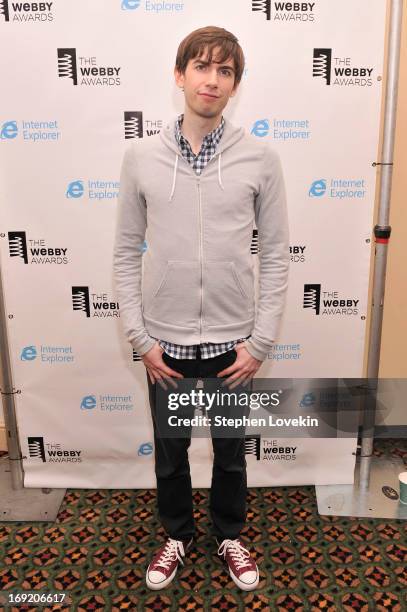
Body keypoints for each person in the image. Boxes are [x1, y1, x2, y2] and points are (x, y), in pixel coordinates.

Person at [113, 25, 289, 592]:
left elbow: (278, 256)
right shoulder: (140, 155)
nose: (212, 80)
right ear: (180, 74)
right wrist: (140, 339)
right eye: (202, 66)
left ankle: (229, 532)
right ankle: (178, 535)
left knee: (231, 452)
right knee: (171, 453)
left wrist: (259, 342)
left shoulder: (260, 157)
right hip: (164, 347)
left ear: (235, 84)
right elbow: (123, 252)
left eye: (225, 70)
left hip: (231, 347)